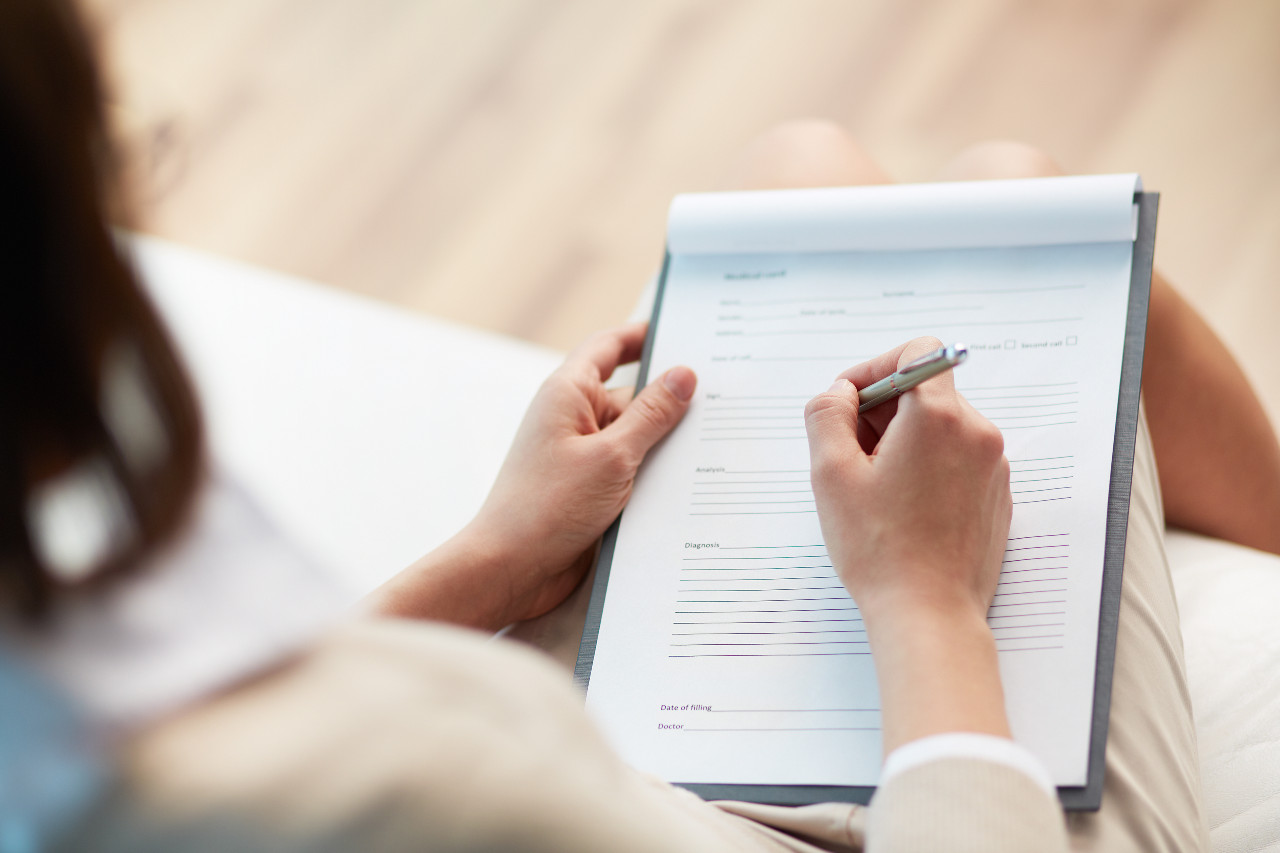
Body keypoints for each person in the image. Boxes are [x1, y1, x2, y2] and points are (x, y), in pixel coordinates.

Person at [4, 3, 1280, 852]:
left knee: (804, 167)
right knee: (1025, 205)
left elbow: (222, 714)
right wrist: (923, 603)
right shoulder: (345, 790)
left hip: (649, 786)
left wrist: (487, 559)